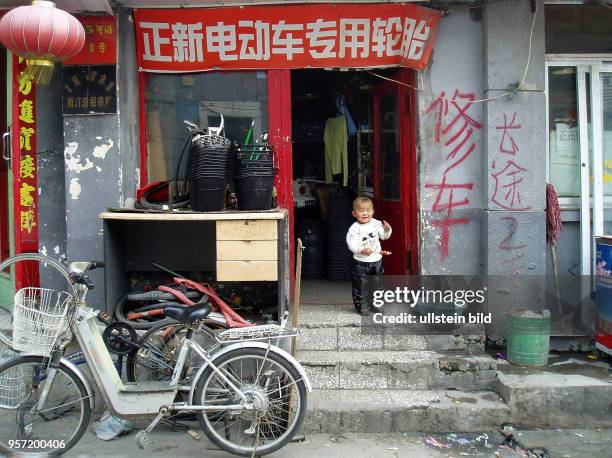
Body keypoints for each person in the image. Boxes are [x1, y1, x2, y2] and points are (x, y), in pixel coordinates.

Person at [346, 196, 392, 316]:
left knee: (377, 284)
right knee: (360, 285)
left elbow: (384, 236)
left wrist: (387, 229)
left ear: (373, 212)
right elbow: (351, 244)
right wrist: (361, 250)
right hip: (360, 262)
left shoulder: (376, 224)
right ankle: (362, 306)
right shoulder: (354, 229)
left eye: (368, 210)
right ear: (354, 213)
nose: (365, 213)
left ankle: (376, 305)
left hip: (376, 260)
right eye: (361, 211)